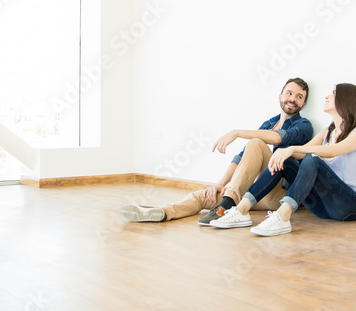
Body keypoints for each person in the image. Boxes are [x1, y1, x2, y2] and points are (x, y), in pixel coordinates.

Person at [119, 78, 314, 225]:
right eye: (289, 93)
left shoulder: (304, 125)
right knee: (204, 195)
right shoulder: (268, 123)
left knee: (256, 142)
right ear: (280, 96)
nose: (292, 99)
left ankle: (227, 203)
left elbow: (279, 139)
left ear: (303, 105)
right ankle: (163, 212)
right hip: (254, 191)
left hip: (277, 194)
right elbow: (242, 157)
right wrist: (220, 184)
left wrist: (237, 132)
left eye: (299, 97)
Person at [211, 83, 356, 236]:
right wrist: (284, 153)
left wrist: (292, 148)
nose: (327, 96)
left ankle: (283, 215)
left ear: (346, 101)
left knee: (312, 159)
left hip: (350, 206)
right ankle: (241, 209)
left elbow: (332, 150)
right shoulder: (328, 131)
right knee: (287, 160)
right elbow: (300, 153)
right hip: (324, 208)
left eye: (334, 93)